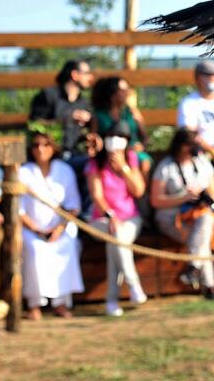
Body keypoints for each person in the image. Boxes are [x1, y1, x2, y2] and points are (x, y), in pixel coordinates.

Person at [151, 128, 214, 300]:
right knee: (202, 241)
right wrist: (183, 198)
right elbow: (156, 201)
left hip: (196, 216)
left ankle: (194, 270)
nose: (195, 149)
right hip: (171, 217)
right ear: (181, 146)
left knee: (206, 221)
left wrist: (201, 195)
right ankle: (209, 287)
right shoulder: (166, 166)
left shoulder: (202, 163)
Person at [18, 130, 86, 319]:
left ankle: (62, 302)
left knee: (67, 245)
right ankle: (34, 303)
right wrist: (37, 230)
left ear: (53, 148)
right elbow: (19, 210)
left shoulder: (64, 170)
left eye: (45, 145)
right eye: (36, 145)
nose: (40, 149)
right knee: (34, 250)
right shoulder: (24, 172)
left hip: (60, 227)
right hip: (32, 228)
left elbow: (73, 206)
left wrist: (58, 230)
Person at [87, 122, 149, 315]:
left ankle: (111, 300)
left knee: (115, 241)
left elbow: (138, 190)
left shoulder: (131, 159)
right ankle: (133, 284)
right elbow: (97, 197)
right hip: (101, 220)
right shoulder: (95, 163)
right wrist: (111, 215)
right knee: (116, 236)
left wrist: (123, 169)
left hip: (130, 219)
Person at [28, 60, 95, 164]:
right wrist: (66, 118)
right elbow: (33, 124)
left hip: (76, 154)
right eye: (87, 73)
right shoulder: (48, 95)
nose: (91, 77)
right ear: (75, 75)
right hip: (51, 158)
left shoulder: (84, 103)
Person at [92, 76, 152, 178]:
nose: (127, 93)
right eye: (123, 90)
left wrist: (141, 145)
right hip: (108, 152)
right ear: (112, 93)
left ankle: (140, 191)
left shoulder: (132, 112)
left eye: (127, 89)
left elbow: (145, 137)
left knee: (144, 161)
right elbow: (94, 137)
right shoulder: (99, 115)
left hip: (133, 151)